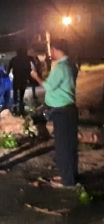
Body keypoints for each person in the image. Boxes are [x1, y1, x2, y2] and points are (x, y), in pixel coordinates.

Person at [30, 39, 78, 188]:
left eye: (52, 50)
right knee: (69, 145)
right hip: (68, 109)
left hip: (62, 111)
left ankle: (67, 181)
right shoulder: (71, 64)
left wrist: (36, 76)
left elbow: (49, 86)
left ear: (57, 50)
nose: (51, 53)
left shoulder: (61, 67)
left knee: (63, 146)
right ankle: (69, 175)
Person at [8, 47, 33, 116]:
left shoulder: (14, 59)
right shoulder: (27, 59)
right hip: (23, 78)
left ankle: (16, 105)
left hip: (16, 78)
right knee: (22, 91)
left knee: (16, 91)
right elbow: (31, 68)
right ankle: (20, 104)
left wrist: (7, 75)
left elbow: (9, 69)